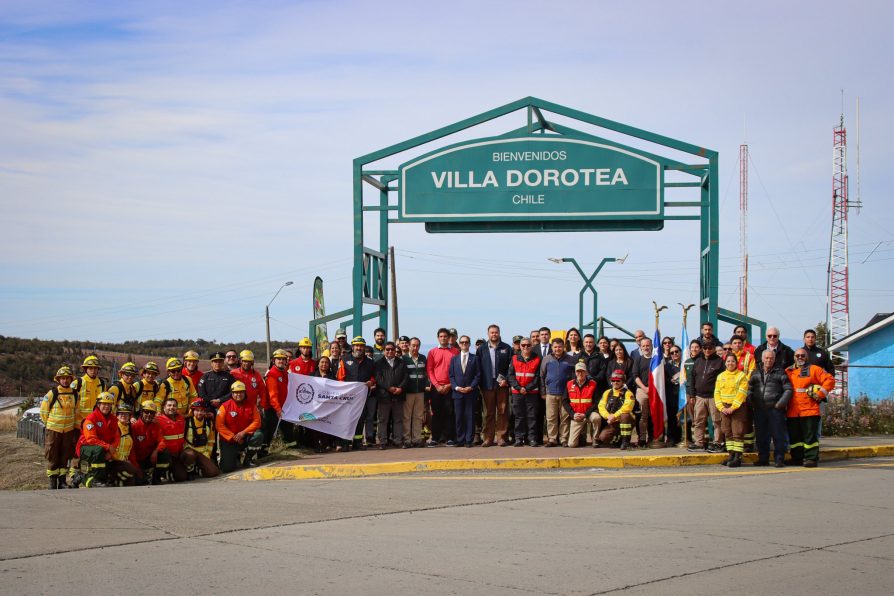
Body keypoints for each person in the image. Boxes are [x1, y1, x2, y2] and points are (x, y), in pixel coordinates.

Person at [785, 349, 835, 467]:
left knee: (810, 436)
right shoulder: (788, 371)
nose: (800, 357)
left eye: (803, 355)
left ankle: (811, 458)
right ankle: (797, 458)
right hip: (793, 411)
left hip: (809, 410)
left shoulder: (815, 369)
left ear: (806, 357)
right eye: (798, 355)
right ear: (794, 357)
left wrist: (821, 394)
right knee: (795, 438)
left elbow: (830, 380)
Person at [749, 350, 792, 468]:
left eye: (771, 358)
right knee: (761, 436)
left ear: (774, 359)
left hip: (775, 409)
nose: (769, 360)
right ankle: (763, 459)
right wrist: (751, 401)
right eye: (767, 358)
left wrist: (780, 404)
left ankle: (779, 459)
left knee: (778, 435)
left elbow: (788, 389)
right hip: (759, 409)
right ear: (762, 359)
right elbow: (749, 389)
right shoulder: (755, 373)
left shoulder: (781, 372)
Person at [40, 366, 78, 489]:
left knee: (65, 455)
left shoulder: (74, 394)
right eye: (63, 378)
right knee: (53, 455)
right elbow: (43, 412)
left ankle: (62, 482)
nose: (65, 380)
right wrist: (50, 425)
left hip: (68, 431)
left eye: (67, 378)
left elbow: (76, 411)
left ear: (71, 379)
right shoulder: (52, 393)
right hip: (54, 430)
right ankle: (52, 483)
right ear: (58, 379)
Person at [338, 336, 376, 451]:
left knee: (360, 419)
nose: (359, 348)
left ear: (364, 347)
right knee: (346, 419)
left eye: (361, 346)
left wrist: (371, 382)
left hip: (362, 397)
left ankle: (357, 442)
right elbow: (340, 377)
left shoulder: (370, 362)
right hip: (348, 397)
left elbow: (374, 377)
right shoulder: (344, 359)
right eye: (357, 345)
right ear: (353, 346)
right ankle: (345, 442)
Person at [687, 340, 725, 453]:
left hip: (714, 397)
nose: (707, 350)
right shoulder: (698, 361)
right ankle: (699, 443)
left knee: (717, 421)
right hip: (699, 397)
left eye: (710, 348)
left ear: (714, 348)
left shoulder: (719, 362)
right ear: (702, 349)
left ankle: (718, 443)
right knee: (698, 420)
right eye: (705, 348)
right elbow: (692, 379)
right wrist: (692, 395)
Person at [216, 381, 263, 472]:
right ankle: (235, 457)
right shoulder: (224, 406)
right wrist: (233, 437)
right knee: (227, 468)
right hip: (229, 440)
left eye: (241, 392)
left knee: (258, 435)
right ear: (232, 393)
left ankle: (247, 459)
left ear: (245, 393)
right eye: (236, 392)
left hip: (245, 437)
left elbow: (257, 421)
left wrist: (244, 432)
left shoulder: (251, 405)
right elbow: (219, 425)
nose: (238, 394)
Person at [478, 324, 513, 447]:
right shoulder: (481, 349)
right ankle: (488, 438)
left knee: (503, 411)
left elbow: (511, 368)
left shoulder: (507, 348)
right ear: (488, 334)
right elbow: (478, 368)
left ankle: (501, 438)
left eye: (496, 332)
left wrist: (507, 380)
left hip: (502, 385)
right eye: (492, 332)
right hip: (487, 385)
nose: (494, 334)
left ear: (499, 333)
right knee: (489, 412)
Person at [75, 391, 118, 488]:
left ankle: (82, 476)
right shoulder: (90, 419)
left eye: (108, 404)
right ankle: (95, 480)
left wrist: (111, 451)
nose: (106, 407)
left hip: (104, 450)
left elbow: (116, 437)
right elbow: (91, 439)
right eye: (104, 404)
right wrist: (108, 447)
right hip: (85, 448)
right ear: (98, 404)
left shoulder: (113, 419)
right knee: (99, 450)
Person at [714, 353, 749, 467]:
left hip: (737, 408)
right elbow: (717, 392)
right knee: (727, 432)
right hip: (724, 408)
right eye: (728, 361)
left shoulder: (741, 376)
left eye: (733, 361)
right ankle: (731, 455)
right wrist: (721, 407)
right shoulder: (721, 376)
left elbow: (742, 393)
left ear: (736, 363)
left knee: (737, 432)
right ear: (725, 363)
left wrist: (733, 407)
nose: (730, 363)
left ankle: (738, 457)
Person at [425, 328, 459, 446]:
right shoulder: (432, 352)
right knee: (436, 413)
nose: (443, 338)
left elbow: (457, 371)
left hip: (450, 387)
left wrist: (450, 385)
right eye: (441, 336)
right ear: (438, 338)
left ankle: (450, 438)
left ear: (448, 338)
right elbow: (429, 370)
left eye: (445, 336)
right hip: (436, 388)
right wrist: (437, 385)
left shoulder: (455, 352)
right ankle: (435, 438)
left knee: (450, 413)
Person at [540, 337, 576, 447]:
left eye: (560, 347)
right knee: (551, 418)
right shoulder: (546, 359)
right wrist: (543, 392)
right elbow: (541, 376)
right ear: (552, 347)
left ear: (564, 347)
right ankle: (552, 439)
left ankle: (563, 439)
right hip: (550, 393)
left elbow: (574, 376)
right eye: (555, 347)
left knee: (565, 417)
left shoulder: (570, 359)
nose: (557, 349)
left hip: (566, 394)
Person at [374, 342, 408, 449]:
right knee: (383, 420)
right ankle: (383, 442)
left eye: (392, 349)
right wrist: (389, 388)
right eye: (387, 349)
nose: (390, 351)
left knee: (398, 420)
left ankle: (398, 441)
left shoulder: (401, 363)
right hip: (384, 396)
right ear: (384, 351)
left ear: (395, 351)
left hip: (398, 396)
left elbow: (406, 377)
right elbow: (378, 379)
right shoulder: (378, 363)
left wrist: (400, 388)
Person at [508, 338, 541, 446]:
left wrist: (527, 388)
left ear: (531, 346)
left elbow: (537, 377)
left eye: (528, 345)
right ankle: (518, 438)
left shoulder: (537, 359)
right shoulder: (514, 358)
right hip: (517, 393)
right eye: (523, 345)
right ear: (520, 346)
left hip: (531, 393)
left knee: (531, 416)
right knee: (518, 416)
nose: (525, 347)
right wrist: (519, 388)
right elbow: (511, 375)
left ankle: (531, 438)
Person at [448, 335, 479, 447]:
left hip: (470, 392)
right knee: (459, 417)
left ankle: (468, 440)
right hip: (458, 393)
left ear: (469, 344)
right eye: (462, 342)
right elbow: (451, 376)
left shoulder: (475, 358)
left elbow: (478, 375)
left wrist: (471, 387)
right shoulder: (454, 359)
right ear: (459, 344)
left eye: (466, 342)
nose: (464, 344)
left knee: (470, 416)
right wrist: (456, 387)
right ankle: (460, 439)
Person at [596, 370, 636, 449]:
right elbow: (601, 406)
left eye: (618, 380)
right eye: (613, 380)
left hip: (626, 419)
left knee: (625, 415)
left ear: (623, 381)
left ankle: (625, 442)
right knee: (603, 438)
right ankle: (618, 438)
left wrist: (614, 416)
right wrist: (608, 416)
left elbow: (627, 408)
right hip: (612, 420)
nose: (615, 382)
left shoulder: (628, 393)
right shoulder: (607, 392)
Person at [264, 348, 294, 451]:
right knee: (269, 432)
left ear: (286, 361)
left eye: (283, 359)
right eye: (278, 359)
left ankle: (291, 450)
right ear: (274, 360)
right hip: (273, 410)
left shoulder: (285, 373)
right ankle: (263, 453)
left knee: (289, 432)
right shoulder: (272, 375)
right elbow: (273, 395)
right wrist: (278, 409)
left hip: (284, 408)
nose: (281, 361)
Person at [563, 362, 599, 448]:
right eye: (578, 371)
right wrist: (572, 414)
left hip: (589, 414)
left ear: (586, 372)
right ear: (575, 373)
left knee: (596, 418)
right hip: (576, 415)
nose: (580, 373)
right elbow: (565, 401)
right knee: (572, 444)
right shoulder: (569, 384)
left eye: (582, 371)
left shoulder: (593, 384)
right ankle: (582, 435)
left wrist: (586, 414)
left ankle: (595, 439)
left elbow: (596, 402)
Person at [130, 400, 166, 485]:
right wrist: (136, 466)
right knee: (139, 482)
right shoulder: (134, 427)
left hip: (149, 458)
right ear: (141, 412)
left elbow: (162, 441)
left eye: (152, 413)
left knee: (165, 453)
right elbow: (131, 450)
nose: (149, 415)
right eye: (146, 412)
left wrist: (156, 451)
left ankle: (156, 477)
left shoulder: (155, 426)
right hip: (136, 460)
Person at [628, 337, 655, 447]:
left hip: (656, 391)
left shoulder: (656, 359)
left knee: (654, 415)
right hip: (642, 390)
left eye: (647, 345)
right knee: (643, 416)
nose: (645, 348)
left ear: (651, 345)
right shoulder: (638, 359)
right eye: (643, 346)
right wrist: (645, 388)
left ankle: (654, 437)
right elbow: (635, 376)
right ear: (640, 347)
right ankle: (642, 438)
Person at [156, 397, 190, 482]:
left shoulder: (181, 418)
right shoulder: (158, 420)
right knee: (180, 477)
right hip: (167, 455)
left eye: (174, 405)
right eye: (169, 405)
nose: (172, 407)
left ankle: (187, 470)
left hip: (179, 454)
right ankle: (164, 473)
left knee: (182, 476)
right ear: (164, 407)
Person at [183, 399, 220, 478]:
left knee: (213, 472)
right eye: (197, 410)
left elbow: (211, 440)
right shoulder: (186, 422)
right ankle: (189, 469)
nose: (199, 413)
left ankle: (198, 469)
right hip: (189, 452)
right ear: (192, 411)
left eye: (202, 410)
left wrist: (208, 454)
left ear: (205, 411)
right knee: (190, 455)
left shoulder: (209, 422)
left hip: (203, 453)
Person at [402, 337, 427, 447]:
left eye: (417, 345)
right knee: (406, 416)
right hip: (408, 392)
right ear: (409, 346)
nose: (415, 348)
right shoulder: (403, 359)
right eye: (413, 345)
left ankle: (416, 439)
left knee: (418, 416)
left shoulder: (423, 358)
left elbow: (425, 374)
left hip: (420, 392)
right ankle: (407, 439)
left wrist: (426, 385)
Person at [109, 403, 141, 486]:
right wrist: (123, 460)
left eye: (126, 414)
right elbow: (110, 449)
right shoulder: (114, 428)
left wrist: (134, 464)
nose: (124, 415)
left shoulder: (129, 429)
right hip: (113, 461)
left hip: (125, 462)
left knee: (140, 478)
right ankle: (111, 479)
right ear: (117, 415)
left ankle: (118, 480)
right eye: (121, 413)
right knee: (131, 474)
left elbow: (131, 451)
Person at [664, 343, 683, 445]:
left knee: (685, 418)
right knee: (672, 418)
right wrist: (671, 380)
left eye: (676, 352)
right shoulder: (667, 366)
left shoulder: (685, 365)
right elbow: (663, 380)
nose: (674, 354)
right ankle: (672, 438)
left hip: (683, 394)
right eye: (672, 353)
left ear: (680, 352)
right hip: (672, 394)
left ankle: (685, 438)